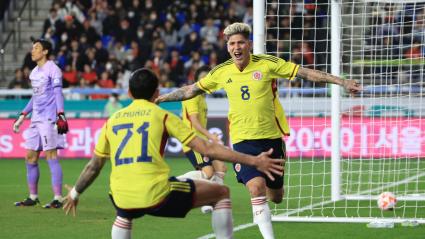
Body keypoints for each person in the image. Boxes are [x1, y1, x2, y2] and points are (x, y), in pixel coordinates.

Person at [155, 22, 362, 239]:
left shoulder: (267, 64)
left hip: (271, 139)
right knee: (256, 188)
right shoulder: (221, 72)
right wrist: (163, 98)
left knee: (276, 196)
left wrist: (342, 81)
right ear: (227, 47)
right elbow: (191, 90)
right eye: (232, 43)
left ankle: (266, 204)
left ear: (249, 45)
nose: (237, 47)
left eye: (241, 42)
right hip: (243, 142)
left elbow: (305, 73)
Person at [62, 68, 284, 239]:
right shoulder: (162, 116)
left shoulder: (112, 121)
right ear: (157, 92)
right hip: (155, 194)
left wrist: (74, 194)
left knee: (124, 213)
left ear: (129, 93)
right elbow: (207, 149)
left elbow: (94, 165)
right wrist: (253, 160)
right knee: (221, 192)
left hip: (119, 195)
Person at [13, 38, 69, 209]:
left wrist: (61, 114)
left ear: (45, 51)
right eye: (32, 48)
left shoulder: (53, 70)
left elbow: (58, 93)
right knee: (30, 157)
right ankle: (33, 196)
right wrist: (23, 114)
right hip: (35, 119)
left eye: (36, 48)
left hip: (49, 119)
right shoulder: (34, 73)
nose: (32, 51)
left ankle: (58, 198)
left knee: (51, 156)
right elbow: (35, 97)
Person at [179, 65, 227, 214]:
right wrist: (210, 136)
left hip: (202, 141)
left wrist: (209, 139)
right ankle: (176, 182)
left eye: (208, 77)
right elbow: (195, 123)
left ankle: (213, 199)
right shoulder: (192, 95)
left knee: (221, 168)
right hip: (194, 142)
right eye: (203, 77)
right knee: (208, 172)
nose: (205, 80)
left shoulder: (202, 96)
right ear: (197, 79)